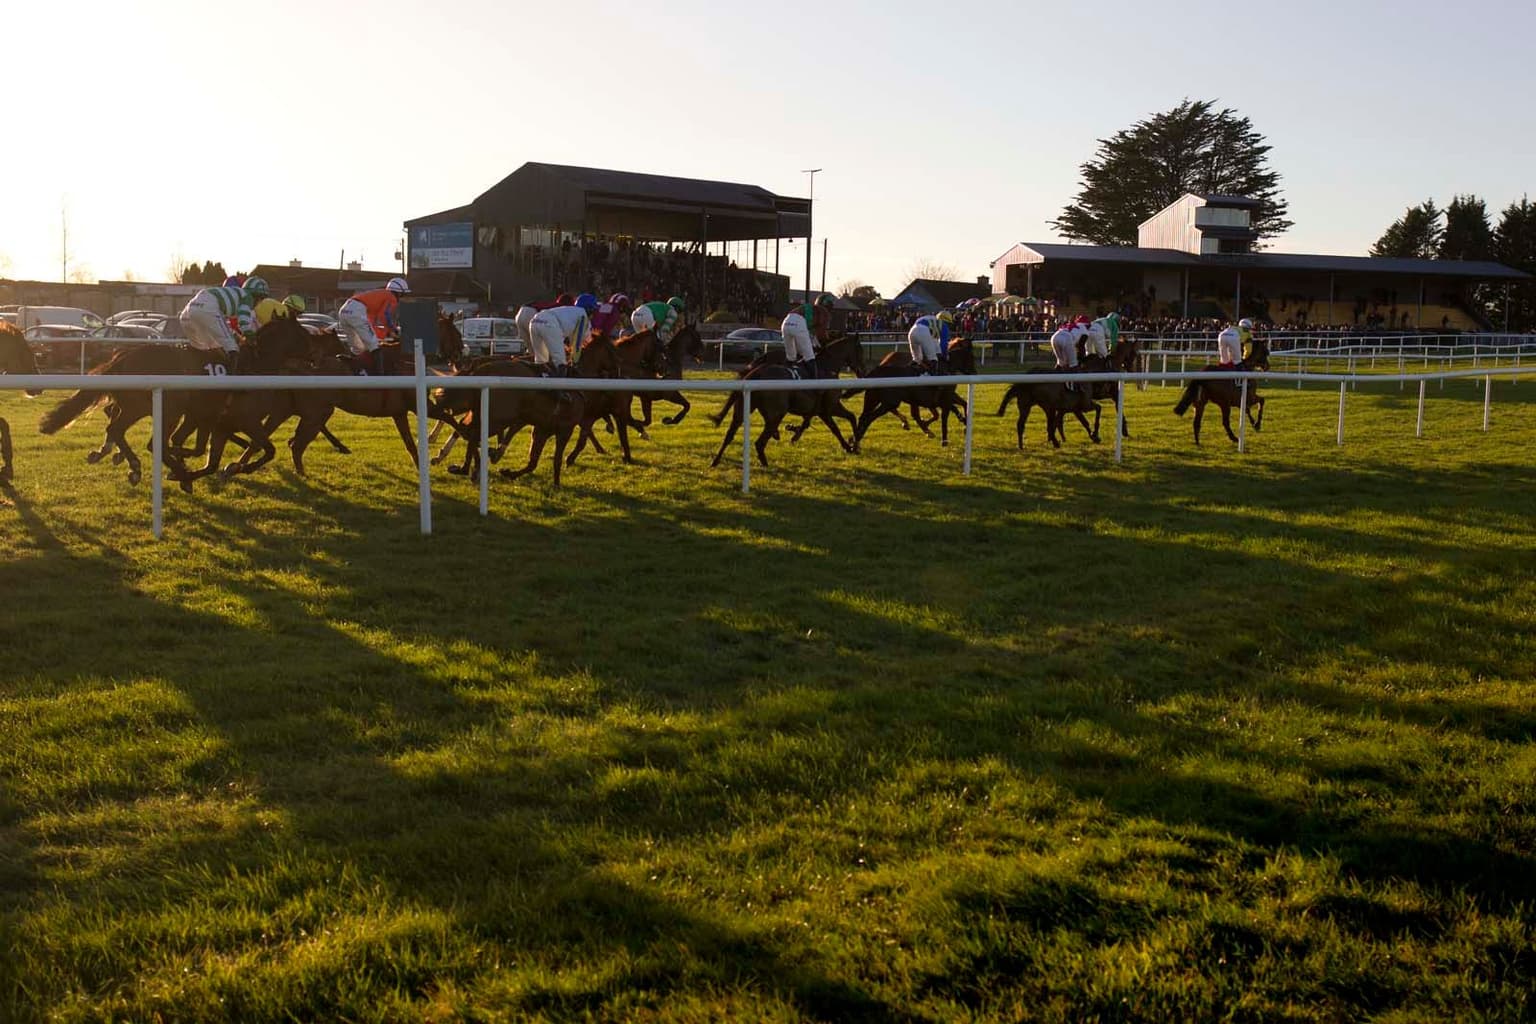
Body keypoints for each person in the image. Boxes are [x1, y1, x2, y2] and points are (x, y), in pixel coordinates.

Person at [178, 276, 264, 372]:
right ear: (257, 296)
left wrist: (237, 335)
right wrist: (249, 334)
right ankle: (231, 379)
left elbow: (224, 326)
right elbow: (243, 319)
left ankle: (203, 371)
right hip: (208, 307)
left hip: (188, 312)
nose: (259, 303)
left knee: (206, 346)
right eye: (261, 299)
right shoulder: (247, 297)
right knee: (232, 346)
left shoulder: (233, 294)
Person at [337, 277, 409, 373]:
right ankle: (379, 376)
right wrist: (393, 330)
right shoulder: (391, 297)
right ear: (399, 292)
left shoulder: (378, 297)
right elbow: (385, 315)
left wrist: (381, 333)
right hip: (356, 311)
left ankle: (356, 371)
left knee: (357, 348)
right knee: (374, 346)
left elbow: (372, 320)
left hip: (344, 310)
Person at [528, 293, 593, 386]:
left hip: (534, 320)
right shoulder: (583, 315)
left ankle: (538, 386)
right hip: (549, 323)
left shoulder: (571, 311)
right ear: (590, 309)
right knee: (561, 362)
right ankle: (559, 390)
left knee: (541, 361)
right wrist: (575, 360)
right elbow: (579, 342)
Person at [781, 293, 833, 377]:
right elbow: (821, 334)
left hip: (786, 322)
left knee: (791, 357)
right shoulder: (824, 312)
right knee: (810, 357)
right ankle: (814, 385)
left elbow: (810, 333)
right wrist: (825, 345)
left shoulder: (810, 308)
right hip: (798, 324)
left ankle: (787, 377)